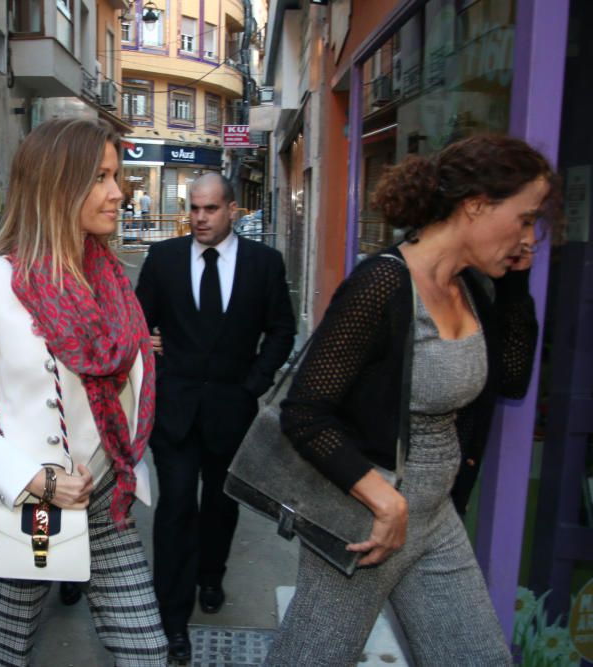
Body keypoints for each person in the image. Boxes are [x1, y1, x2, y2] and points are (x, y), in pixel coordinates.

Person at [267, 134, 562, 665]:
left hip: (434, 517)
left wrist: (516, 285)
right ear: (477, 206)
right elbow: (304, 412)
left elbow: (511, 381)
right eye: (524, 219)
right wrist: (384, 499)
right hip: (366, 523)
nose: (530, 236)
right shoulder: (382, 283)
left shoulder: (471, 287)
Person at [0, 118, 168, 666]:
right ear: (59, 185)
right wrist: (34, 480)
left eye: (117, 175)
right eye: (102, 177)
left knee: (148, 652)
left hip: (106, 496)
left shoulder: (108, 277)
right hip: (28, 506)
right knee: (3, 655)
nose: (118, 192)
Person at [135, 173, 296, 661]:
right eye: (194, 209)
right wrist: (150, 345)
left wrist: (253, 383)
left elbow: (282, 330)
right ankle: (173, 618)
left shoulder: (263, 264)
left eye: (209, 209)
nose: (199, 218)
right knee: (176, 507)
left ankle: (211, 574)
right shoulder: (163, 260)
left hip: (232, 409)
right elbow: (137, 320)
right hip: (176, 411)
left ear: (233, 210)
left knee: (222, 507)